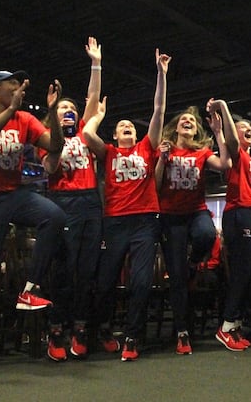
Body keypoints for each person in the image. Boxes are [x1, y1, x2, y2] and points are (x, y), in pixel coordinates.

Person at [0, 69, 66, 373]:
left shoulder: (25, 119)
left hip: (11, 194)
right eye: (13, 84)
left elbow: (55, 146)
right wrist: (10, 110)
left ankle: (30, 288)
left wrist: (53, 113)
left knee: (54, 216)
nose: (20, 88)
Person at [83, 49, 170, 362]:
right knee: (105, 282)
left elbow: (158, 110)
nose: (127, 127)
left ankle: (133, 335)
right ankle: (103, 329)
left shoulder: (147, 148)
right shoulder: (107, 152)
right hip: (116, 222)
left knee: (142, 281)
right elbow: (87, 133)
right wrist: (99, 117)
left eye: (130, 125)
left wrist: (161, 73)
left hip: (146, 221)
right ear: (116, 135)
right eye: (121, 126)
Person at [38, 37, 102, 361]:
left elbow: (92, 99)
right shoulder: (48, 138)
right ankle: (56, 328)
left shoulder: (85, 137)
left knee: (86, 269)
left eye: (72, 110)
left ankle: (79, 326)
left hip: (91, 201)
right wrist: (57, 135)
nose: (70, 112)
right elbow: (49, 166)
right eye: (64, 108)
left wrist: (96, 63)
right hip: (64, 202)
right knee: (63, 270)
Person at [155, 100, 230, 355]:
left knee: (208, 234)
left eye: (193, 122)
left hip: (196, 211)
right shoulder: (165, 150)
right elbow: (154, 185)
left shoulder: (202, 153)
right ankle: (182, 331)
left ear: (196, 131)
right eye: (183, 120)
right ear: (176, 128)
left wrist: (218, 132)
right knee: (177, 279)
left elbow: (225, 166)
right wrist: (162, 160)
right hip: (170, 216)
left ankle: (193, 263)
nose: (188, 122)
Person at [215, 113, 251, 352]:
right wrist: (224, 109)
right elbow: (231, 140)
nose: (247, 129)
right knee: (241, 271)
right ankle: (225, 326)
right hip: (238, 212)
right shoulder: (236, 153)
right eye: (241, 127)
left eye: (249, 127)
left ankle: (235, 324)